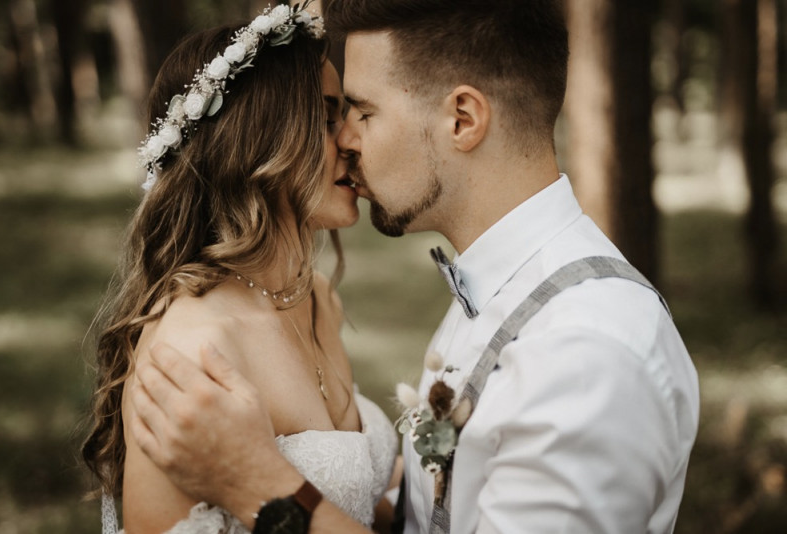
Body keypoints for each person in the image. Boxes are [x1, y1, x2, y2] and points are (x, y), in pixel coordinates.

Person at [129, 0, 701, 533]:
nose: (346, 140)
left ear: (462, 118)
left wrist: (259, 484)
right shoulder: (492, 292)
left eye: (361, 111)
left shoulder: (585, 352)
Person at [81, 4, 399, 533]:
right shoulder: (194, 352)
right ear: (255, 144)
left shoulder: (315, 297)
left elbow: (354, 501)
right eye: (324, 118)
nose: (348, 140)